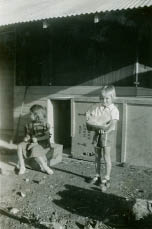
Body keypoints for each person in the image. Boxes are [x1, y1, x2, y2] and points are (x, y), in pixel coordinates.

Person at [86, 85, 119, 191]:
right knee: (97, 156)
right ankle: (97, 175)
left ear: (112, 97)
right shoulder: (98, 108)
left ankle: (107, 178)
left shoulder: (114, 110)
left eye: (107, 98)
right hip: (97, 133)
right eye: (102, 98)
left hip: (107, 135)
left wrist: (104, 129)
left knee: (106, 156)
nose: (104, 101)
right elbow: (92, 119)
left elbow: (112, 124)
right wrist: (89, 118)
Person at [17, 104, 54, 175]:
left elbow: (47, 136)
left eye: (31, 114)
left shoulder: (45, 125)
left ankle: (45, 167)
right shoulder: (29, 125)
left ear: (37, 115)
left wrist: (37, 139)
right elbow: (28, 135)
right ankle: (22, 166)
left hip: (43, 144)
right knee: (19, 146)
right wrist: (26, 138)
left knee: (34, 149)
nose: (29, 116)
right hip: (32, 143)